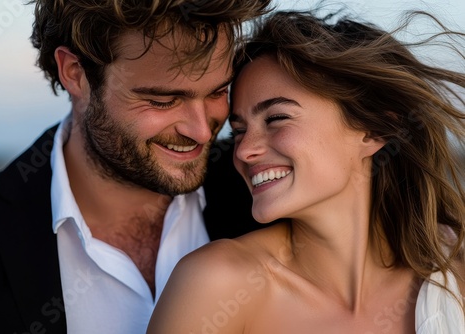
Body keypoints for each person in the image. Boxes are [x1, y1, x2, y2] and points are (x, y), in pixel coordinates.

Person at [147, 8, 465, 334]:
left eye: (276, 119)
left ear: (373, 131)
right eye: (239, 130)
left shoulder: (453, 274)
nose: (243, 150)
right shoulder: (217, 285)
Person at [0, 1, 273, 333]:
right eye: (162, 100)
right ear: (74, 73)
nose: (200, 130)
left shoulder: (267, 190)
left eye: (218, 91)